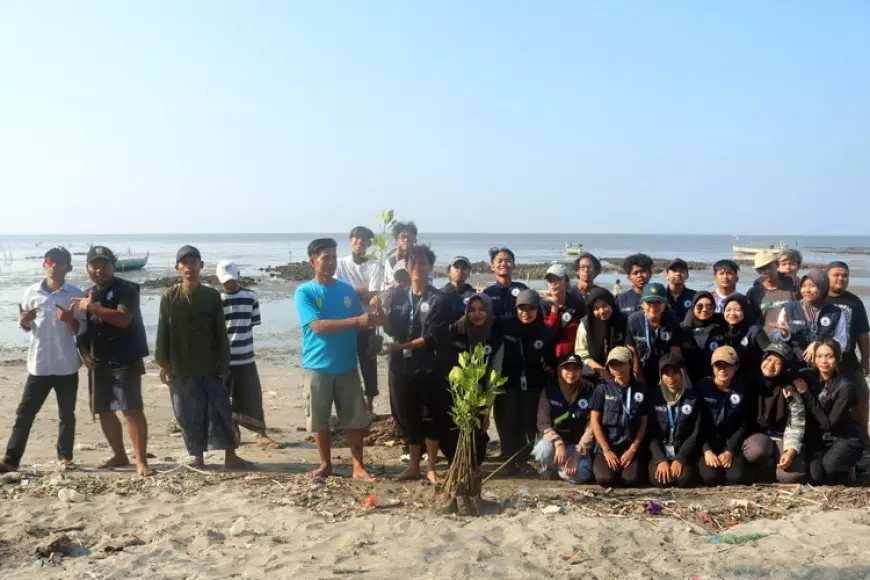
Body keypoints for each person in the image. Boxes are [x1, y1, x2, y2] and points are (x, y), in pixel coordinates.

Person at [156, 245, 249, 469]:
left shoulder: (212, 295)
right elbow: (162, 332)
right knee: (187, 414)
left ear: (201, 266)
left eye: (193, 262)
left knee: (221, 411)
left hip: (210, 365)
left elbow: (221, 333)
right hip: (180, 366)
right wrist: (163, 363)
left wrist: (224, 366)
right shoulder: (169, 297)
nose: (190, 267)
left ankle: (230, 455)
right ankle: (196, 455)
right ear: (178, 268)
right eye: (184, 263)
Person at [295, 238, 376, 480]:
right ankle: (325, 464)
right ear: (313, 262)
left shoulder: (346, 289)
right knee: (319, 419)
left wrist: (376, 315)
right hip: (317, 366)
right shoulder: (305, 292)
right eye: (325, 258)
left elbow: (360, 323)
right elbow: (318, 326)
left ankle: (358, 466)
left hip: (347, 366)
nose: (331, 262)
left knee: (354, 419)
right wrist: (355, 322)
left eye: (333, 257)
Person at [0, 247, 86, 473]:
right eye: (49, 261)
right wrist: (24, 321)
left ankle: (65, 457)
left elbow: (82, 330)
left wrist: (70, 320)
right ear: (44, 264)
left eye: (59, 262)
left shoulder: (75, 294)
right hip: (38, 364)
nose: (54, 266)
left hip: (66, 364)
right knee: (25, 413)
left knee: (66, 414)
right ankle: (11, 459)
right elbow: (27, 326)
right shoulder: (31, 292)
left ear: (68, 267)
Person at [74, 246, 152, 476]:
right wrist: (85, 354)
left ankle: (141, 461)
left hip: (126, 358)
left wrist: (93, 307)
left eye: (104, 264)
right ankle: (119, 454)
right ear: (87, 267)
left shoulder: (127, 289)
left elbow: (122, 319)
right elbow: (82, 330)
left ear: (114, 264)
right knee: (104, 410)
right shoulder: (88, 293)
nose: (99, 270)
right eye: (94, 265)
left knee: (131, 410)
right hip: (99, 361)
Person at [380, 245, 450, 484]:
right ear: (407, 268)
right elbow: (392, 329)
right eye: (413, 263)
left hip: (430, 367)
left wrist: (398, 347)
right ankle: (412, 466)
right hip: (401, 367)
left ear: (429, 267)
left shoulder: (439, 298)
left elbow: (431, 337)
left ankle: (431, 467)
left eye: (422, 263)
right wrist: (379, 313)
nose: (417, 268)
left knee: (430, 417)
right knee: (409, 416)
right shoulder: (398, 295)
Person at [496, 289, 556, 474]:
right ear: (516, 309)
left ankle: (523, 460)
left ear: (537, 310)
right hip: (507, 381)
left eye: (531, 308)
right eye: (522, 308)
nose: (526, 313)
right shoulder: (504, 325)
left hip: (532, 382)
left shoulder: (545, 331)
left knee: (528, 422)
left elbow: (550, 359)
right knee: (507, 421)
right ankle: (508, 459)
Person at [217, 260, 276, 449]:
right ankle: (234, 431)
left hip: (246, 357)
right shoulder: (217, 300)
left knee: (252, 395)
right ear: (218, 280)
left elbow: (252, 322)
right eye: (226, 281)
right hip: (224, 360)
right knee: (226, 397)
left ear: (238, 276)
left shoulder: (251, 296)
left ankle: (261, 433)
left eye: (232, 280)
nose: (229, 284)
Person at [443, 293, 503, 465]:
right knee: (451, 436)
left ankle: (472, 466)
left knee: (478, 446)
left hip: (480, 394)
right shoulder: (456, 331)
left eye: (482, 309)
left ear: (489, 311)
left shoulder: (496, 337)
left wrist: (487, 410)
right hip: (456, 391)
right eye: (472, 310)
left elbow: (495, 373)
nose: (477, 314)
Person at [797, 338, 865, 484]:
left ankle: (849, 465)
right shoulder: (808, 375)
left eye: (830, 356)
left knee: (830, 467)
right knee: (815, 476)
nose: (824, 361)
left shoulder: (845, 387)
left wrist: (806, 393)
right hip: (820, 439)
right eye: (819, 356)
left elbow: (828, 423)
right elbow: (786, 374)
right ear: (814, 358)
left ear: (838, 357)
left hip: (844, 437)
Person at [742, 342, 808, 483]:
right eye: (769, 359)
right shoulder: (749, 383)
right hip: (757, 435)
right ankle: (761, 467)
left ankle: (774, 467)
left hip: (782, 436)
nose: (771, 365)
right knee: (757, 451)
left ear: (785, 367)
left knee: (792, 477)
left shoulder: (789, 389)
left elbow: (796, 423)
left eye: (778, 363)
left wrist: (790, 451)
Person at [335, 226, 385, 412]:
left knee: (368, 366)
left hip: (367, 323)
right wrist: (361, 290)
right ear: (350, 241)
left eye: (363, 239)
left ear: (369, 244)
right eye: (356, 238)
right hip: (345, 324)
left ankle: (370, 407)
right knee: (345, 366)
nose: (359, 242)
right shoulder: (340, 263)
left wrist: (353, 292)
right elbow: (336, 291)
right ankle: (348, 406)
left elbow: (373, 294)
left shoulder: (374, 265)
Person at [590, 346, 649, 487]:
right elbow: (594, 421)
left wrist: (632, 450)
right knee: (606, 480)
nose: (617, 368)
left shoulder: (642, 389)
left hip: (629, 447)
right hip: (607, 446)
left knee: (630, 479)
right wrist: (607, 450)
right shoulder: (602, 389)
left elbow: (643, 424)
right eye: (613, 364)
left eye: (621, 363)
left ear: (629, 363)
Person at [532, 353, 595, 483]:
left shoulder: (590, 392)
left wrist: (578, 454)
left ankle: (562, 470)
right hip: (555, 443)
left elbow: (592, 427)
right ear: (559, 370)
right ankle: (555, 469)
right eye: (567, 368)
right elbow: (543, 424)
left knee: (578, 475)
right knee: (543, 451)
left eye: (575, 369)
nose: (571, 373)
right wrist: (558, 442)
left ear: (581, 371)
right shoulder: (549, 391)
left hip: (577, 445)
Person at [827, 261, 870, 441]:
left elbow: (863, 333)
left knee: (862, 394)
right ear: (827, 277)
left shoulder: (854, 301)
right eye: (836, 275)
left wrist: (866, 359)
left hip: (849, 360)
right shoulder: (818, 297)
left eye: (845, 275)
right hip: (824, 361)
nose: (841, 279)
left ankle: (863, 437)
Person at [696, 346, 751, 485]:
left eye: (727, 365)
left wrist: (730, 451)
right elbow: (697, 424)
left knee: (735, 479)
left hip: (730, 443)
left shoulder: (742, 389)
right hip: (708, 443)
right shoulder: (702, 387)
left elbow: (743, 424)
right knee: (710, 478)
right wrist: (706, 450)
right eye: (718, 366)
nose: (722, 370)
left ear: (736, 366)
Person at [647, 353, 702, 488]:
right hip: (661, 452)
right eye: (666, 373)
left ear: (682, 373)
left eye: (675, 372)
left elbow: (695, 433)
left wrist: (680, 459)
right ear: (661, 376)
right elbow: (650, 433)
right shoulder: (653, 397)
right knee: (660, 480)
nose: (671, 377)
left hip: (682, 452)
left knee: (684, 480)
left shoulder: (693, 398)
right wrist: (660, 460)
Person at [775, 269, 848, 365]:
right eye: (804, 286)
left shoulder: (835, 312)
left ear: (823, 287)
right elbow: (776, 338)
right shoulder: (788, 309)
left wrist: (820, 345)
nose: (807, 290)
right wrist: (784, 333)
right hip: (793, 365)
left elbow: (842, 342)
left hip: (823, 366)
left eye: (812, 286)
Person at [626, 283, 682, 386]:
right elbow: (633, 354)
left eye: (658, 302)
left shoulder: (673, 322)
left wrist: (665, 379)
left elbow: (674, 354)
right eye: (649, 302)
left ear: (665, 304)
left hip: (665, 371)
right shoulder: (632, 321)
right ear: (642, 304)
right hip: (639, 370)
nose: (653, 307)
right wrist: (640, 380)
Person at [575, 287, 627, 379]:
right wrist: (601, 370)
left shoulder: (625, 321)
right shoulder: (585, 325)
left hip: (622, 373)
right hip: (594, 374)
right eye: (596, 308)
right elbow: (582, 354)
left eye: (604, 305)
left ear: (611, 303)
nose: (602, 311)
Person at [746, 250, 798, 338]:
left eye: (770, 266)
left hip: (790, 338)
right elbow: (751, 321)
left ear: (777, 265)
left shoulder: (792, 288)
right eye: (762, 268)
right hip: (764, 341)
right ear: (758, 271)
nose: (767, 271)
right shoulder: (754, 293)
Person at [680, 292, 727, 383]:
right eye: (699, 306)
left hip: (716, 382)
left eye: (709, 306)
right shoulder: (683, 330)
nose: (705, 310)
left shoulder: (721, 327)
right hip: (689, 382)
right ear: (693, 307)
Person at [721, 294, 770, 383]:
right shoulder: (722, 331)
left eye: (737, 310)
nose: (732, 313)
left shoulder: (755, 330)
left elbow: (771, 354)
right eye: (728, 310)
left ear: (745, 310)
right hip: (729, 382)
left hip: (753, 382)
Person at [542, 263, 586, 357]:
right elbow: (546, 333)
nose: (553, 283)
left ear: (566, 281)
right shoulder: (543, 305)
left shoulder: (577, 303)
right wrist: (554, 308)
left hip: (571, 355)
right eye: (550, 280)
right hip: (547, 354)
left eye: (557, 279)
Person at [483, 247, 528, 322]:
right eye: (499, 261)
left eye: (508, 261)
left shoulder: (523, 289)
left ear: (514, 266)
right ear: (492, 266)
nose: (503, 264)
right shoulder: (487, 293)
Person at [383, 221, 418, 289]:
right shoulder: (391, 262)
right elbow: (387, 285)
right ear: (396, 241)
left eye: (409, 237)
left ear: (414, 240)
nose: (406, 240)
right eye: (403, 237)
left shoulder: (420, 260)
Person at [441, 255, 475, 323]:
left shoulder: (474, 295)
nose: (460, 270)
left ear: (469, 272)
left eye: (464, 267)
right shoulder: (440, 294)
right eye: (456, 267)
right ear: (449, 271)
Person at [665, 258, 697, 322]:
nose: (678, 274)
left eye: (682, 271)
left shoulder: (695, 296)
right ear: (667, 275)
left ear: (687, 275)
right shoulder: (661, 295)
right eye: (674, 270)